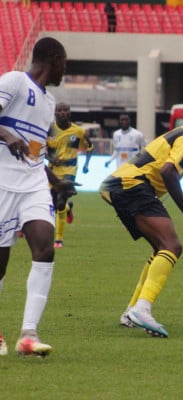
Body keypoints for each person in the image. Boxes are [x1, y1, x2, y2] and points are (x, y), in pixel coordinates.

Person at [100, 101, 183, 338]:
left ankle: (132, 311)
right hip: (133, 185)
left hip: (123, 184)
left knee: (161, 249)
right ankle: (142, 309)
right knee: (172, 246)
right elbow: (168, 171)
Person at [0, 37, 77, 357]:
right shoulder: (14, 80)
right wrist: (7, 135)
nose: (64, 70)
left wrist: (56, 183)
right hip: (3, 182)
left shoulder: (48, 102)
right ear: (54, 59)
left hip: (32, 183)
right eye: (64, 63)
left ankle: (28, 335)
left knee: (45, 247)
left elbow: (34, 151)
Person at [46, 102, 93, 248]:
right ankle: (68, 208)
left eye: (65, 110)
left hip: (70, 170)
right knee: (53, 204)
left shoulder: (78, 131)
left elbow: (89, 148)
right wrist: (50, 159)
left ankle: (59, 239)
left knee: (59, 202)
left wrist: (86, 165)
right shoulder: (49, 130)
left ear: (69, 113)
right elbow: (39, 149)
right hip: (52, 171)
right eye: (59, 110)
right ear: (55, 113)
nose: (62, 113)